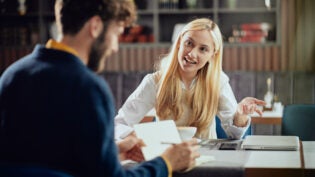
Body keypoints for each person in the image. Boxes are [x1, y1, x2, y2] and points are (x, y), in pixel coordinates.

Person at [0, 0, 200, 177]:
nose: (115, 47)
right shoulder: (89, 89)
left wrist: (113, 152)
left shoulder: (12, 75)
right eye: (116, 33)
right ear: (95, 26)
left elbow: (45, 157)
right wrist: (167, 163)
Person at [115, 18, 266, 140]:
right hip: (168, 161)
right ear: (180, 42)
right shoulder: (154, 81)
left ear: (212, 54)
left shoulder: (218, 82)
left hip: (208, 162)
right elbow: (119, 124)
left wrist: (240, 114)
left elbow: (235, 135)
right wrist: (137, 137)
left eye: (203, 49)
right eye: (189, 44)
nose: (192, 54)